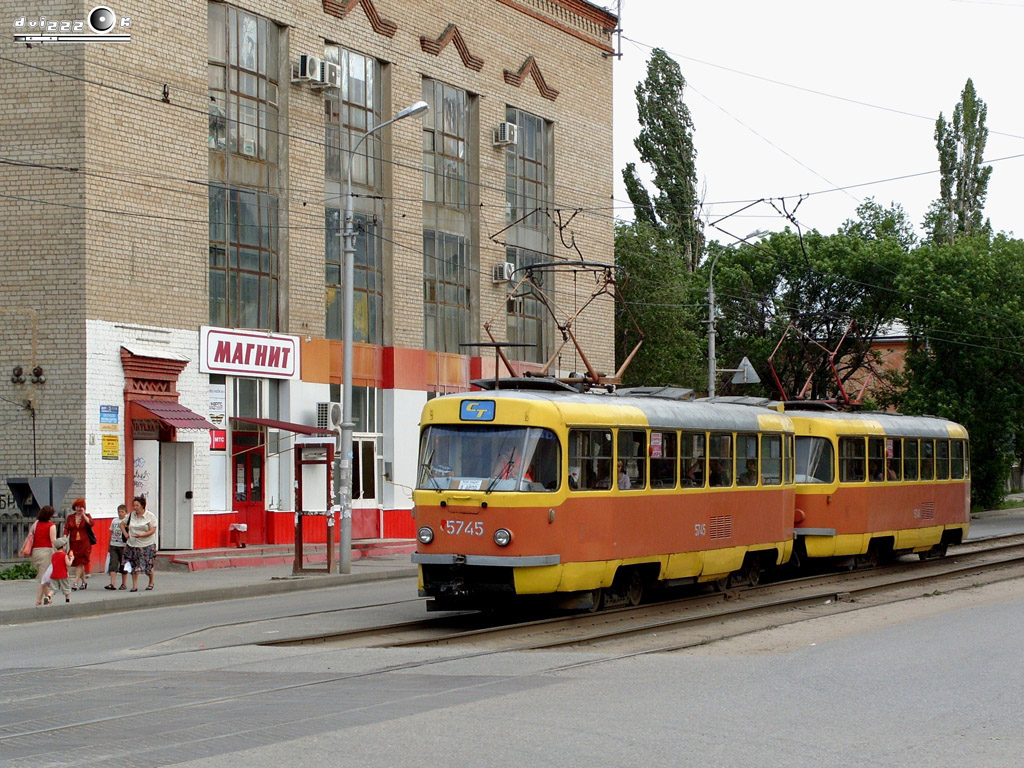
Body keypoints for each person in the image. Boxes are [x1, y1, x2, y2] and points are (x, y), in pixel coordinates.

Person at [124, 495, 158, 592]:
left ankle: (151, 582)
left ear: (142, 506)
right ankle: (134, 586)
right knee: (134, 564)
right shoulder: (131, 515)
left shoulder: (150, 516)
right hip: (133, 544)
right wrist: (126, 534)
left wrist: (142, 535)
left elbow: (153, 530)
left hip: (147, 544)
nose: (135, 507)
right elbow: (122, 524)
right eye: (134, 505)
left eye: (137, 505)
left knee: (148, 565)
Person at [28, 506, 58, 606]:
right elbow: (53, 541)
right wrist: (58, 553)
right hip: (46, 552)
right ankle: (38, 601)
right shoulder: (51, 525)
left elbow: (30, 535)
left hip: (35, 552)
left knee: (43, 576)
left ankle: (48, 599)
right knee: (42, 579)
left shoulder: (36, 523)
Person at [65, 498, 93, 590]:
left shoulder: (87, 516)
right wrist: (64, 537)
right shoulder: (70, 517)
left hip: (84, 543)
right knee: (77, 562)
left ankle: (75, 583)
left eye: (80, 507)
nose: (78, 509)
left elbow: (91, 523)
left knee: (81, 562)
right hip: (74, 543)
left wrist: (83, 514)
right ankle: (84, 581)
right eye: (77, 507)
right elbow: (66, 528)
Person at [40, 536, 74, 605]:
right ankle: (67, 601)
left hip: (54, 575)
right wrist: (72, 559)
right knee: (66, 588)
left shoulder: (54, 555)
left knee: (53, 588)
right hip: (63, 575)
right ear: (63, 546)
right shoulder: (64, 555)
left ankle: (48, 596)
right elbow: (68, 564)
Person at [105, 504, 129, 590]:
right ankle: (112, 583)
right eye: (119, 512)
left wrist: (128, 545)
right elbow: (111, 533)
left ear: (126, 512)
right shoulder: (114, 521)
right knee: (113, 564)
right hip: (114, 544)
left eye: (122, 512)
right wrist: (109, 544)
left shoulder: (127, 522)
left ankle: (124, 583)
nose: (120, 513)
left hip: (123, 545)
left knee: (123, 564)